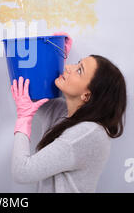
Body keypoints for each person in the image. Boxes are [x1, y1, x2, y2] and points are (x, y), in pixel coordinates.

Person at [10, 55, 127, 192]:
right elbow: (32, 95)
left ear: (86, 95)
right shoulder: (63, 112)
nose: (67, 67)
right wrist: (52, 55)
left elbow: (22, 172)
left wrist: (23, 119)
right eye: (77, 64)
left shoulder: (87, 133)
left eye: (79, 70)